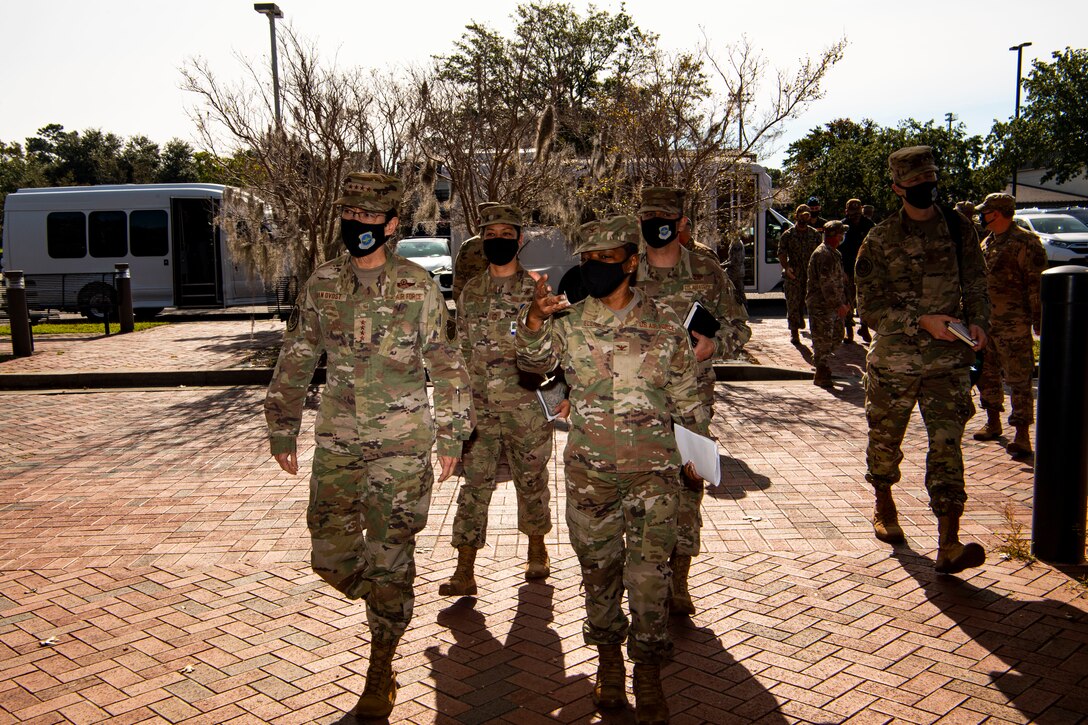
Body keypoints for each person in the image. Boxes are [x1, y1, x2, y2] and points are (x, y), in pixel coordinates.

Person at [265, 172, 475, 719]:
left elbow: (448, 366)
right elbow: (297, 356)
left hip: (402, 449)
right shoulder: (322, 284)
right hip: (337, 441)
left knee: (391, 551)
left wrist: (452, 433)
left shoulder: (418, 287)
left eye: (368, 218)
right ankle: (389, 596)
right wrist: (282, 424)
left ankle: (381, 666)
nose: (357, 225)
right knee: (329, 554)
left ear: (391, 226)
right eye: (350, 216)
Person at [515, 214, 708, 724]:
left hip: (655, 473)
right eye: (588, 260)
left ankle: (647, 672)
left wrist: (697, 457)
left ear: (630, 262)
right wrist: (533, 321)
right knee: (598, 575)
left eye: (606, 259)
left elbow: (688, 399)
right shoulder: (569, 322)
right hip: (590, 474)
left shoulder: (666, 325)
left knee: (649, 579)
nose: (596, 268)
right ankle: (607, 664)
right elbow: (533, 367)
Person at [855, 146, 990, 575]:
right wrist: (920, 322)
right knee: (885, 440)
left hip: (949, 359)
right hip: (896, 361)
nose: (925, 190)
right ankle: (884, 504)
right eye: (915, 185)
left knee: (948, 444)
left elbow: (977, 283)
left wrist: (980, 323)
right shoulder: (879, 239)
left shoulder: (958, 228)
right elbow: (870, 308)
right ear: (898, 188)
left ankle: (948, 541)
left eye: (930, 181)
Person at [635, 186, 751, 616]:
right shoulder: (626, 268)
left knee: (688, 485)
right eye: (649, 216)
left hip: (692, 401)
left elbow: (739, 328)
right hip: (637, 402)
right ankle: (647, 577)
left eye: (665, 217)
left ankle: (679, 580)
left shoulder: (705, 267)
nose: (656, 224)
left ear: (681, 222)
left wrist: (713, 347)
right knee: (640, 490)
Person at [440, 203, 559, 597]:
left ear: (520, 240)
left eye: (507, 235)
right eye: (491, 236)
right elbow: (459, 351)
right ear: (482, 240)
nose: (499, 242)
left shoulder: (536, 291)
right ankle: (464, 568)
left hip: (527, 406)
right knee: (474, 484)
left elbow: (557, 349)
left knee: (531, 481)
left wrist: (564, 394)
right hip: (480, 409)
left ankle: (537, 550)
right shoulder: (470, 292)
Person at [971, 192, 1047, 458]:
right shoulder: (987, 243)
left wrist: (1038, 320)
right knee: (987, 374)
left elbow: (1036, 286)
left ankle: (1022, 434)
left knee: (1018, 378)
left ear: (1000, 212)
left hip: (1014, 324)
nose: (982, 216)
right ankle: (993, 421)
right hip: (987, 323)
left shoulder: (1026, 243)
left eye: (986, 211)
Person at [806, 220, 850, 387]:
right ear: (836, 235)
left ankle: (820, 361)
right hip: (821, 306)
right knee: (822, 339)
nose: (842, 236)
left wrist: (845, 301)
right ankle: (821, 371)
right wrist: (838, 305)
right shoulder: (823, 254)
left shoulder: (833, 253)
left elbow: (838, 280)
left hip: (832, 305)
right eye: (841, 233)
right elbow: (827, 285)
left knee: (836, 336)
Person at [777, 204, 822, 344]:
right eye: (802, 215)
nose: (804, 218)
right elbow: (781, 253)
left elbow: (820, 253)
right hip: (794, 275)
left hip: (810, 275)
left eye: (807, 215)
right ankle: (794, 332)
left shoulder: (814, 235)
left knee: (813, 305)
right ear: (796, 216)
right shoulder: (788, 235)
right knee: (793, 304)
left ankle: (816, 333)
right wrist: (786, 267)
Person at [840, 198, 875, 343]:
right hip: (847, 268)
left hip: (865, 270)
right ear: (847, 212)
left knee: (865, 299)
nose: (855, 216)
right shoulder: (842, 226)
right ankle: (849, 330)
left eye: (857, 212)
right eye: (852, 213)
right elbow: (837, 250)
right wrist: (841, 271)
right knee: (848, 300)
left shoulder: (868, 225)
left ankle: (864, 327)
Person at [451, 202, 498, 303]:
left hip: (473, 303)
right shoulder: (507, 243)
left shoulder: (468, 246)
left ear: (478, 222)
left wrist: (459, 304)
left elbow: (459, 282)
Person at [723, 234, 748, 309]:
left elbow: (735, 261)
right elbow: (730, 258)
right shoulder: (734, 242)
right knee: (738, 291)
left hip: (735, 272)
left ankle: (742, 309)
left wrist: (723, 265)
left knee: (735, 292)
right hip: (736, 271)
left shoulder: (737, 244)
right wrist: (723, 263)